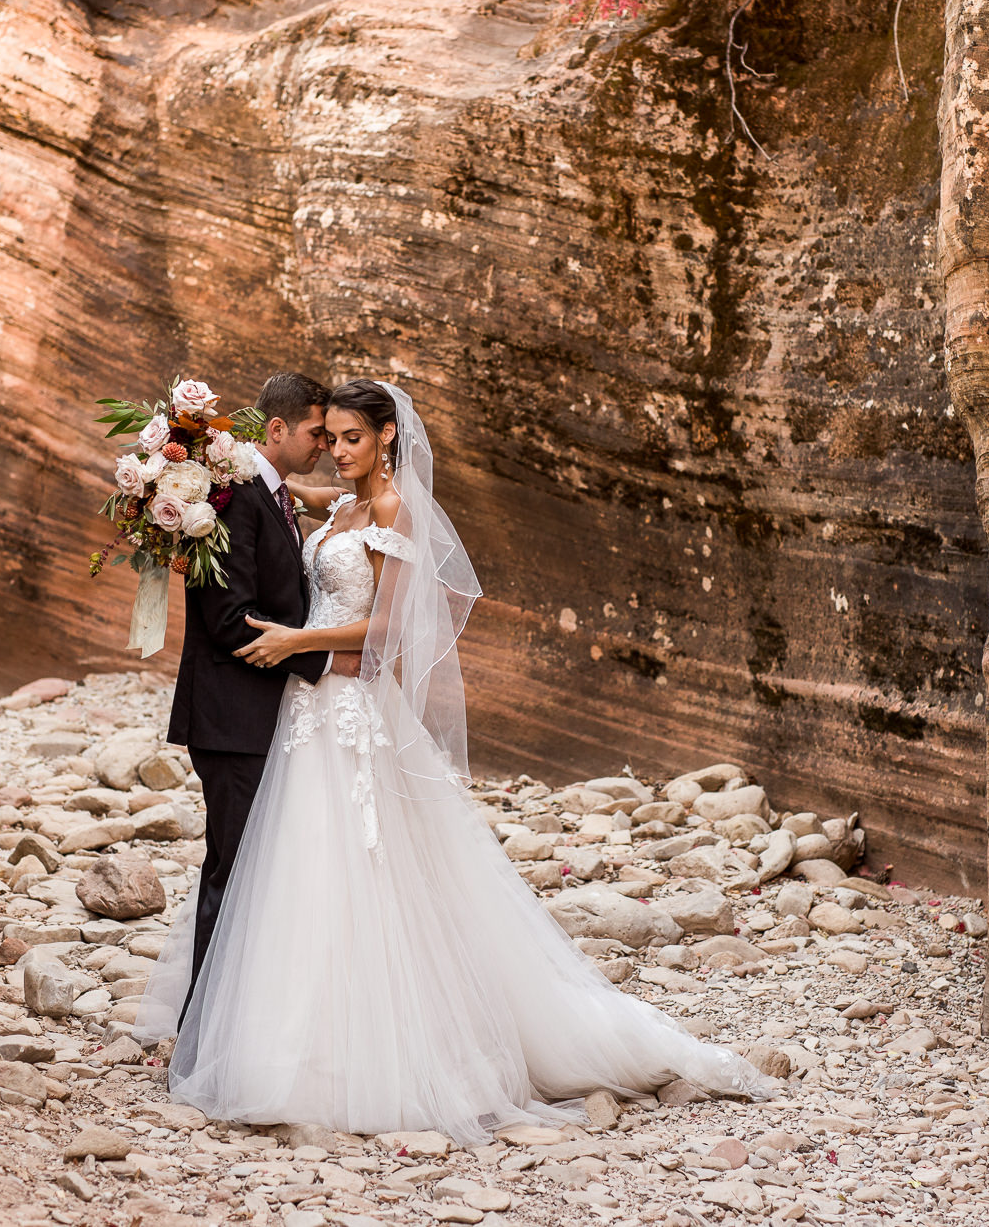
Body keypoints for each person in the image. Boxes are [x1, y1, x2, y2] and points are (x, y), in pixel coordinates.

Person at [140, 379, 773, 1143]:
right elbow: (291, 492)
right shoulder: (337, 506)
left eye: (351, 438)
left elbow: (388, 628)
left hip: (345, 705)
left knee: (365, 872)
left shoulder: (393, 511)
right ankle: (275, 1040)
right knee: (298, 873)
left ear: (386, 440)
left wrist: (291, 639)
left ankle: (381, 1056)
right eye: (329, 436)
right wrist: (224, 469)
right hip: (305, 714)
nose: (336, 451)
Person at [164, 371, 352, 1005]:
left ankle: (235, 1022)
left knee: (254, 871)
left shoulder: (271, 493)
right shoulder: (236, 498)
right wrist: (320, 663)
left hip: (260, 715)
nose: (324, 447)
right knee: (233, 870)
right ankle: (202, 1030)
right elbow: (228, 619)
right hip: (231, 717)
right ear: (276, 429)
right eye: (315, 434)